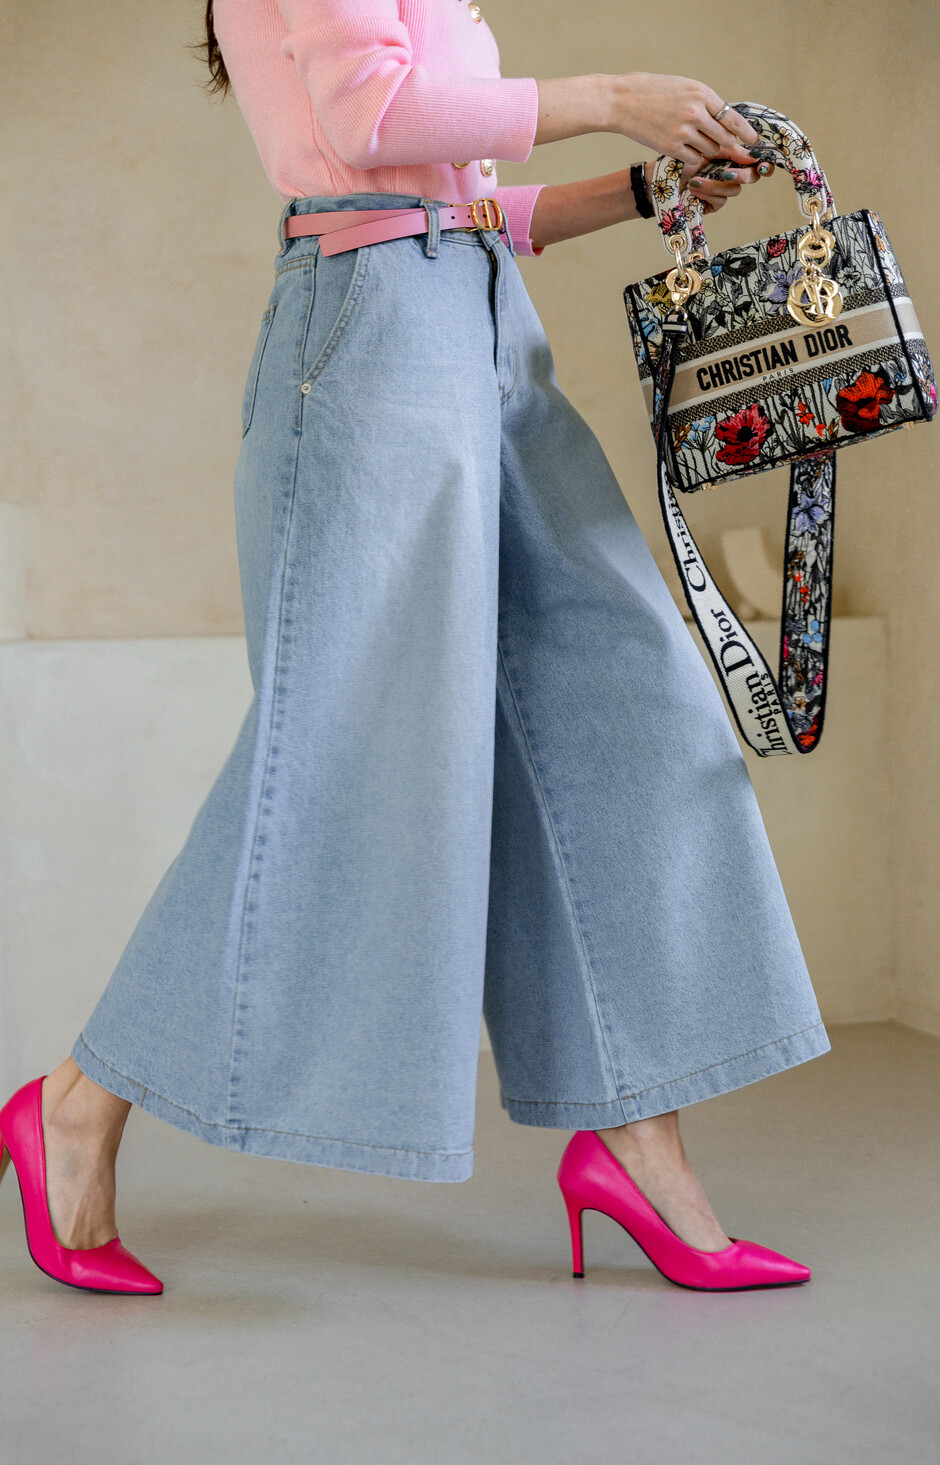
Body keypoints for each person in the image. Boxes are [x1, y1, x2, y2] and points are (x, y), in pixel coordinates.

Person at [0, 0, 825, 1297]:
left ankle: (636, 1136)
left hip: (484, 327)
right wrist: (621, 96)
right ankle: (75, 1103)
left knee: (624, 704)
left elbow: (467, 203)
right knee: (335, 749)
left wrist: (643, 186)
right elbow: (371, 120)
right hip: (368, 335)